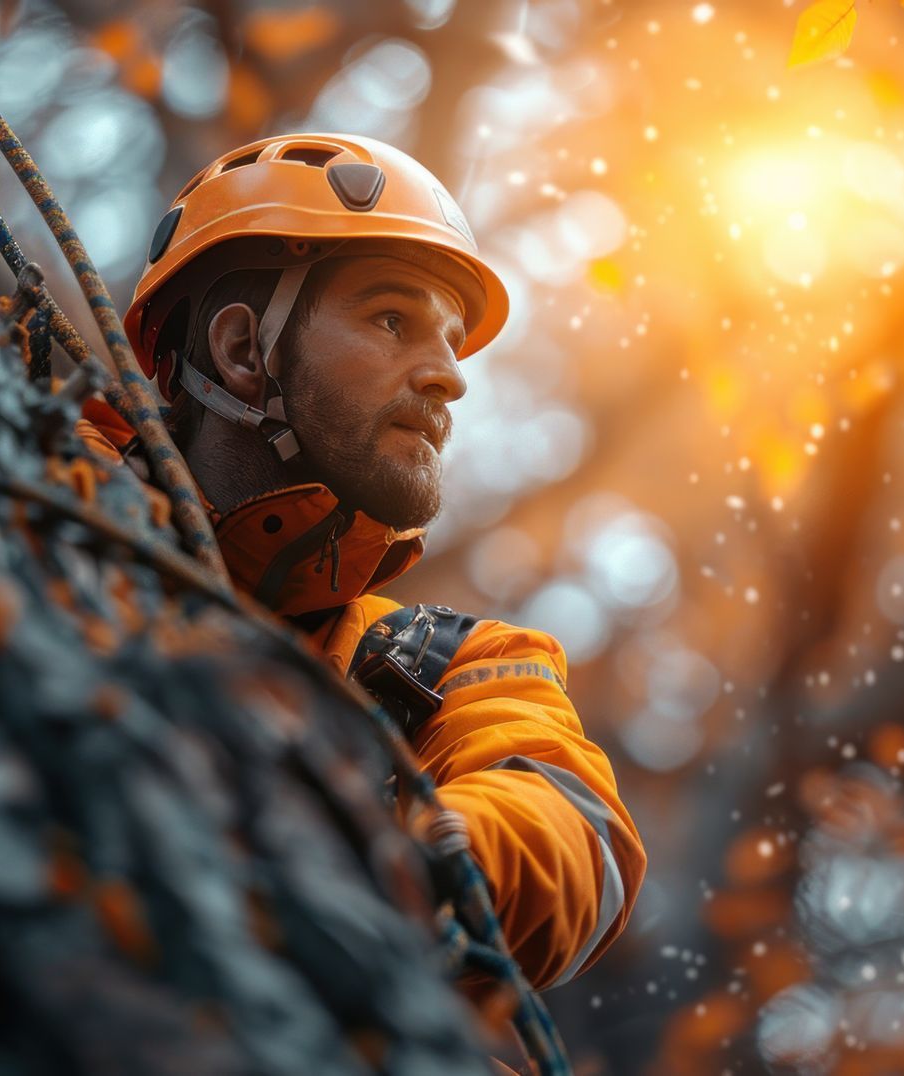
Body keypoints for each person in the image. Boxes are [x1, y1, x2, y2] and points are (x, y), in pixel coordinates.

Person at [78, 132, 645, 993]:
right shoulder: (28, 497)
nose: (451, 377)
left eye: (454, 340)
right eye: (394, 320)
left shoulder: (452, 667)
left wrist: (398, 863)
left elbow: (577, 829)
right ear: (242, 352)